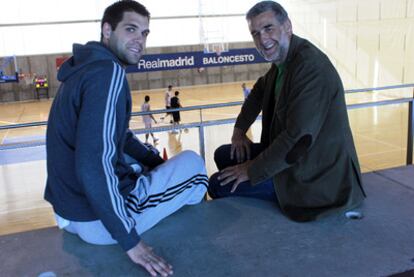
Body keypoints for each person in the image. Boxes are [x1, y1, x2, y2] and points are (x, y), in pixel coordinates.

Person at [44, 1, 208, 276]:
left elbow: (120, 136)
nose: (139, 40)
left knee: (135, 155)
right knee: (194, 167)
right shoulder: (108, 73)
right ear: (107, 30)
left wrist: (154, 161)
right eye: (131, 29)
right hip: (98, 223)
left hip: (68, 213)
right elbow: (93, 163)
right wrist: (131, 242)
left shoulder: (83, 69)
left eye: (144, 33)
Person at [208, 1, 365, 222]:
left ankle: (274, 201)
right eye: (255, 33)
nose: (262, 39)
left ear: (287, 26)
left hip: (314, 172)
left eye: (268, 28)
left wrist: (251, 170)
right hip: (296, 158)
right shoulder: (283, 62)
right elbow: (257, 94)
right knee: (225, 154)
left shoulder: (310, 68)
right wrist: (239, 130)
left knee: (217, 184)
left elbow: (297, 140)